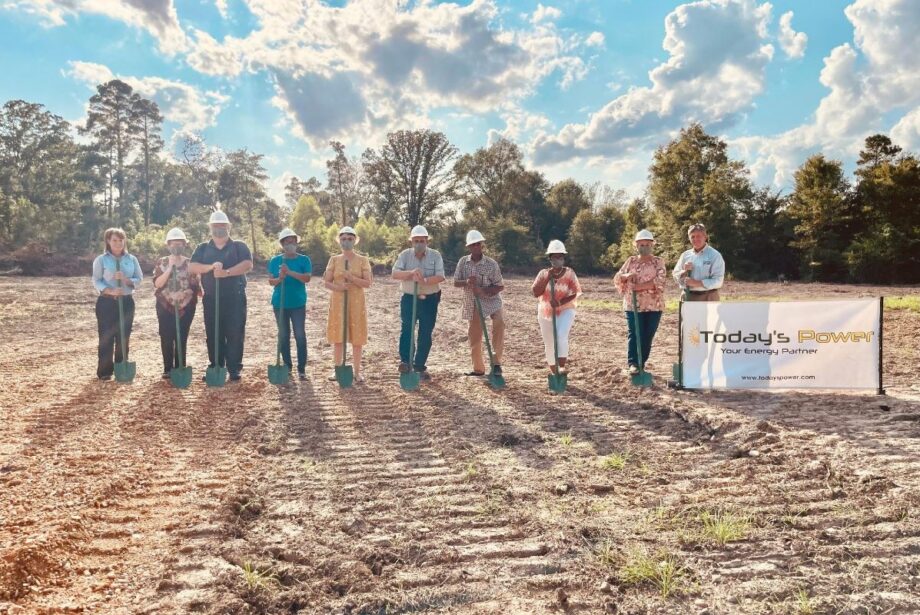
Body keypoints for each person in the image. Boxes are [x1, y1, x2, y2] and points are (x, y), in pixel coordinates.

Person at [189, 209, 253, 382]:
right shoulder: (202, 248)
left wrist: (226, 272)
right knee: (213, 333)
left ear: (228, 227)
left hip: (235, 297)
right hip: (211, 298)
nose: (219, 228)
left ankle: (234, 368)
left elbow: (247, 264)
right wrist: (210, 268)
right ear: (210, 227)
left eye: (222, 225)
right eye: (215, 225)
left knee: (235, 332)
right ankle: (216, 365)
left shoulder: (239, 246)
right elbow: (192, 267)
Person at [391, 225, 446, 380]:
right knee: (407, 329)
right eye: (416, 240)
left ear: (427, 241)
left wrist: (425, 280)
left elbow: (441, 276)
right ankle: (405, 362)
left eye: (422, 240)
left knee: (425, 333)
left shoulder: (435, 255)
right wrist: (411, 273)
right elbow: (395, 274)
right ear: (411, 241)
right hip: (409, 298)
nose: (419, 243)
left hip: (430, 299)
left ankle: (419, 366)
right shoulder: (404, 255)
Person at [91, 228, 143, 380]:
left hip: (126, 302)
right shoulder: (101, 260)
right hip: (107, 302)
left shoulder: (131, 259)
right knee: (106, 336)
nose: (118, 243)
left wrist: (127, 280)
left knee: (124, 336)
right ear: (108, 241)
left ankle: (122, 368)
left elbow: (139, 278)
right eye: (114, 240)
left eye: (121, 240)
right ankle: (105, 372)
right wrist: (110, 291)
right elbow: (96, 280)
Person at [613, 229, 666, 375]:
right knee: (635, 333)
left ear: (652, 245)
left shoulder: (658, 262)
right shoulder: (631, 261)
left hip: (654, 306)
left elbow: (660, 281)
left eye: (647, 244)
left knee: (648, 334)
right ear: (636, 246)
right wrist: (627, 275)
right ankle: (633, 364)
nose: (644, 247)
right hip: (632, 305)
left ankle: (642, 363)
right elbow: (617, 278)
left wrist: (639, 287)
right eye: (641, 244)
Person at [453, 230, 505, 377]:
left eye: (478, 244)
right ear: (468, 247)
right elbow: (456, 282)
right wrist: (467, 282)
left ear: (482, 245)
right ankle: (478, 369)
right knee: (475, 335)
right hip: (473, 302)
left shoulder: (491, 264)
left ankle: (496, 364)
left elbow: (500, 286)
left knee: (499, 324)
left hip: (492, 301)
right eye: (473, 245)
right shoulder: (463, 262)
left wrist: (482, 291)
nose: (476, 247)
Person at [323, 226, 372, 382]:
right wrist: (339, 287)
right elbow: (327, 282)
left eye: (350, 239)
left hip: (356, 303)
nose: (346, 242)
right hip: (338, 302)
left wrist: (351, 278)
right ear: (339, 241)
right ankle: (337, 369)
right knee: (339, 336)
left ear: (355, 241)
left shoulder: (363, 260)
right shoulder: (334, 260)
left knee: (357, 337)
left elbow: (368, 283)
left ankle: (357, 372)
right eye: (343, 239)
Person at [152, 228, 200, 379]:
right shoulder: (162, 262)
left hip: (186, 306)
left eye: (180, 243)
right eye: (173, 244)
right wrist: (170, 268)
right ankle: (168, 368)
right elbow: (158, 284)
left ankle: (180, 366)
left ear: (185, 245)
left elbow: (195, 285)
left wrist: (185, 294)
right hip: (165, 305)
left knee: (182, 336)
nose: (176, 246)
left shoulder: (190, 263)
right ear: (168, 245)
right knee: (166, 335)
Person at [531, 240, 581, 376]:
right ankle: (554, 373)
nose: (558, 259)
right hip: (545, 311)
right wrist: (547, 278)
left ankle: (562, 366)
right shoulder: (543, 273)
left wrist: (559, 302)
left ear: (563, 258)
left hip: (565, 309)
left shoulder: (570, 273)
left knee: (561, 334)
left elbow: (575, 292)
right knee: (549, 341)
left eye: (560, 256)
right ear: (550, 258)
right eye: (555, 257)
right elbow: (535, 292)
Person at [268, 228, 312, 379]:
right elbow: (271, 281)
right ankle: (287, 366)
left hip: (298, 303)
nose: (290, 244)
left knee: (300, 335)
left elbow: (307, 278)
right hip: (279, 304)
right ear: (282, 244)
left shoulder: (304, 260)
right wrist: (280, 278)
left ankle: (301, 369)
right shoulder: (275, 261)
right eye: (287, 242)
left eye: (293, 242)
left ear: (296, 243)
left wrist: (289, 272)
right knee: (284, 335)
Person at [673, 223, 724, 301]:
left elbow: (718, 281)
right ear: (689, 238)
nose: (695, 239)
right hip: (687, 296)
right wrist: (684, 271)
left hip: (709, 297)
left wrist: (697, 283)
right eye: (692, 236)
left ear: (705, 237)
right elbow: (675, 275)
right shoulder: (685, 255)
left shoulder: (715, 255)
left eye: (698, 236)